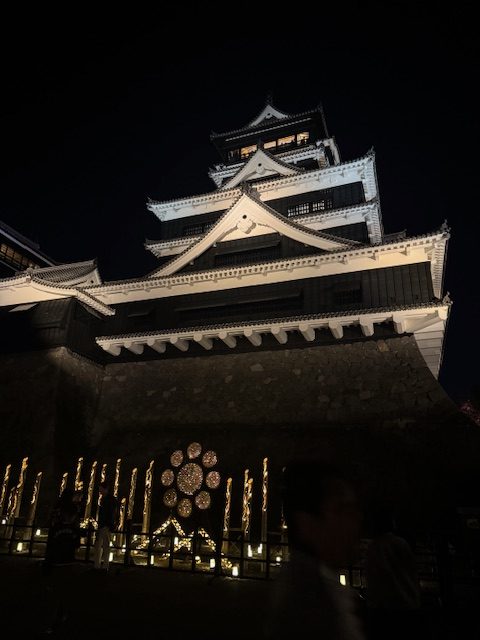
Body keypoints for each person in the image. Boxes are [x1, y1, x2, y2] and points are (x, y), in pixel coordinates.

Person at [264, 461, 365, 639]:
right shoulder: (309, 603)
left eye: (354, 509)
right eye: (341, 509)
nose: (356, 519)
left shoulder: (321, 589)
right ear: (306, 522)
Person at [365, 506, 422, 639]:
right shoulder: (400, 543)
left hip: (382, 607)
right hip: (405, 604)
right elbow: (412, 570)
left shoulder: (373, 547)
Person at [94, 481, 118, 571]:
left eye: (101, 489)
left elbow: (110, 513)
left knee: (103, 545)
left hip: (105, 525)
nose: (100, 491)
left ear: (105, 489)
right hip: (104, 524)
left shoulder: (108, 500)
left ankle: (101, 565)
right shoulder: (106, 499)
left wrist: (109, 524)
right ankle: (101, 565)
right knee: (102, 545)